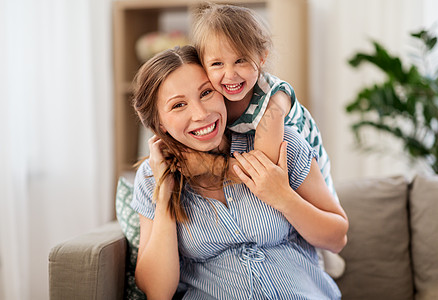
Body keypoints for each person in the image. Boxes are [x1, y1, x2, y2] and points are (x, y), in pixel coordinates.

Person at [130, 45, 348, 299]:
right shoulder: (151, 177)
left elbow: (337, 239)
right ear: (159, 124)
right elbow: (158, 292)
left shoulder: (280, 144)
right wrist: (165, 192)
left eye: (206, 92)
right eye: (179, 105)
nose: (201, 114)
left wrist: (283, 197)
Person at [190, 3, 338, 204]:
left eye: (241, 60)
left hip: (309, 178)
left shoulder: (274, 100)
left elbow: (262, 170)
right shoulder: (214, 96)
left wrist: (207, 165)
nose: (230, 74)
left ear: (261, 58)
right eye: (217, 64)